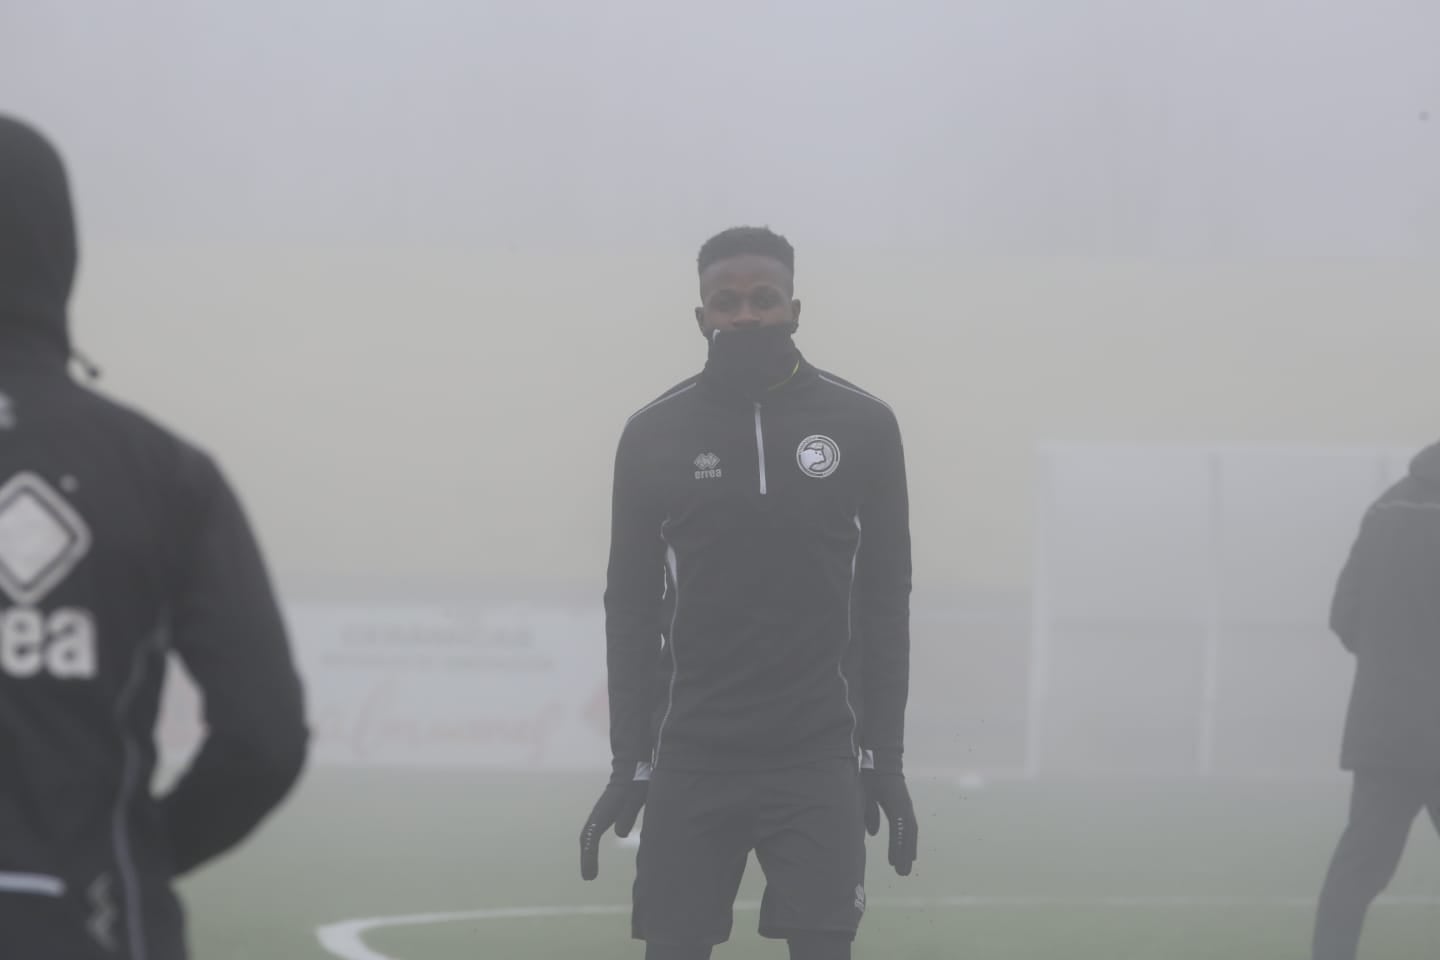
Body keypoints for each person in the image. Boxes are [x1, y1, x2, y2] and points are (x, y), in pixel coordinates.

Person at [0, 115, 309, 959]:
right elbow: (263, 739)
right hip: (90, 922)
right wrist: (139, 852)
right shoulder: (163, 474)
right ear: (60, 253)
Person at [579, 226, 917, 960]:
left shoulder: (864, 426)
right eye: (725, 302)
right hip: (693, 754)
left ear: (795, 308)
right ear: (700, 318)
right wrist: (628, 761)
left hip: (816, 754)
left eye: (763, 299)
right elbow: (630, 612)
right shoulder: (652, 434)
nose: (745, 315)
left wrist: (881, 757)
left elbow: (888, 604)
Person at [1313, 443, 1440, 960]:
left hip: (1384, 727)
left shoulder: (1384, 509)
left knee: (1359, 868)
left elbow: (1344, 614)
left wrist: (1393, 663)